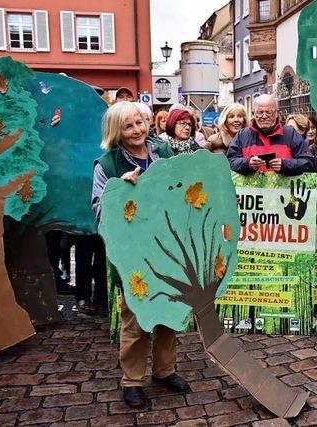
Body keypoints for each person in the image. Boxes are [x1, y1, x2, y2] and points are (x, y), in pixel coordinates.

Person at [91, 102, 190, 407]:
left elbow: (181, 189)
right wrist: (120, 190)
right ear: (115, 131)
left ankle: (164, 370)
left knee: (168, 314)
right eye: (128, 126)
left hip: (167, 249)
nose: (136, 130)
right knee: (135, 319)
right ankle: (132, 380)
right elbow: (99, 211)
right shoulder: (107, 166)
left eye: (139, 123)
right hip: (134, 255)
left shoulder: (163, 152)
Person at [227, 94, 315, 175]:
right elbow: (230, 162)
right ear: (253, 114)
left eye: (269, 112)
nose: (264, 116)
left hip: (284, 192)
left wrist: (285, 165)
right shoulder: (242, 135)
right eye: (260, 112)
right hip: (253, 192)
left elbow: (308, 163)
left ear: (277, 113)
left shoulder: (290, 134)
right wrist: (248, 163)